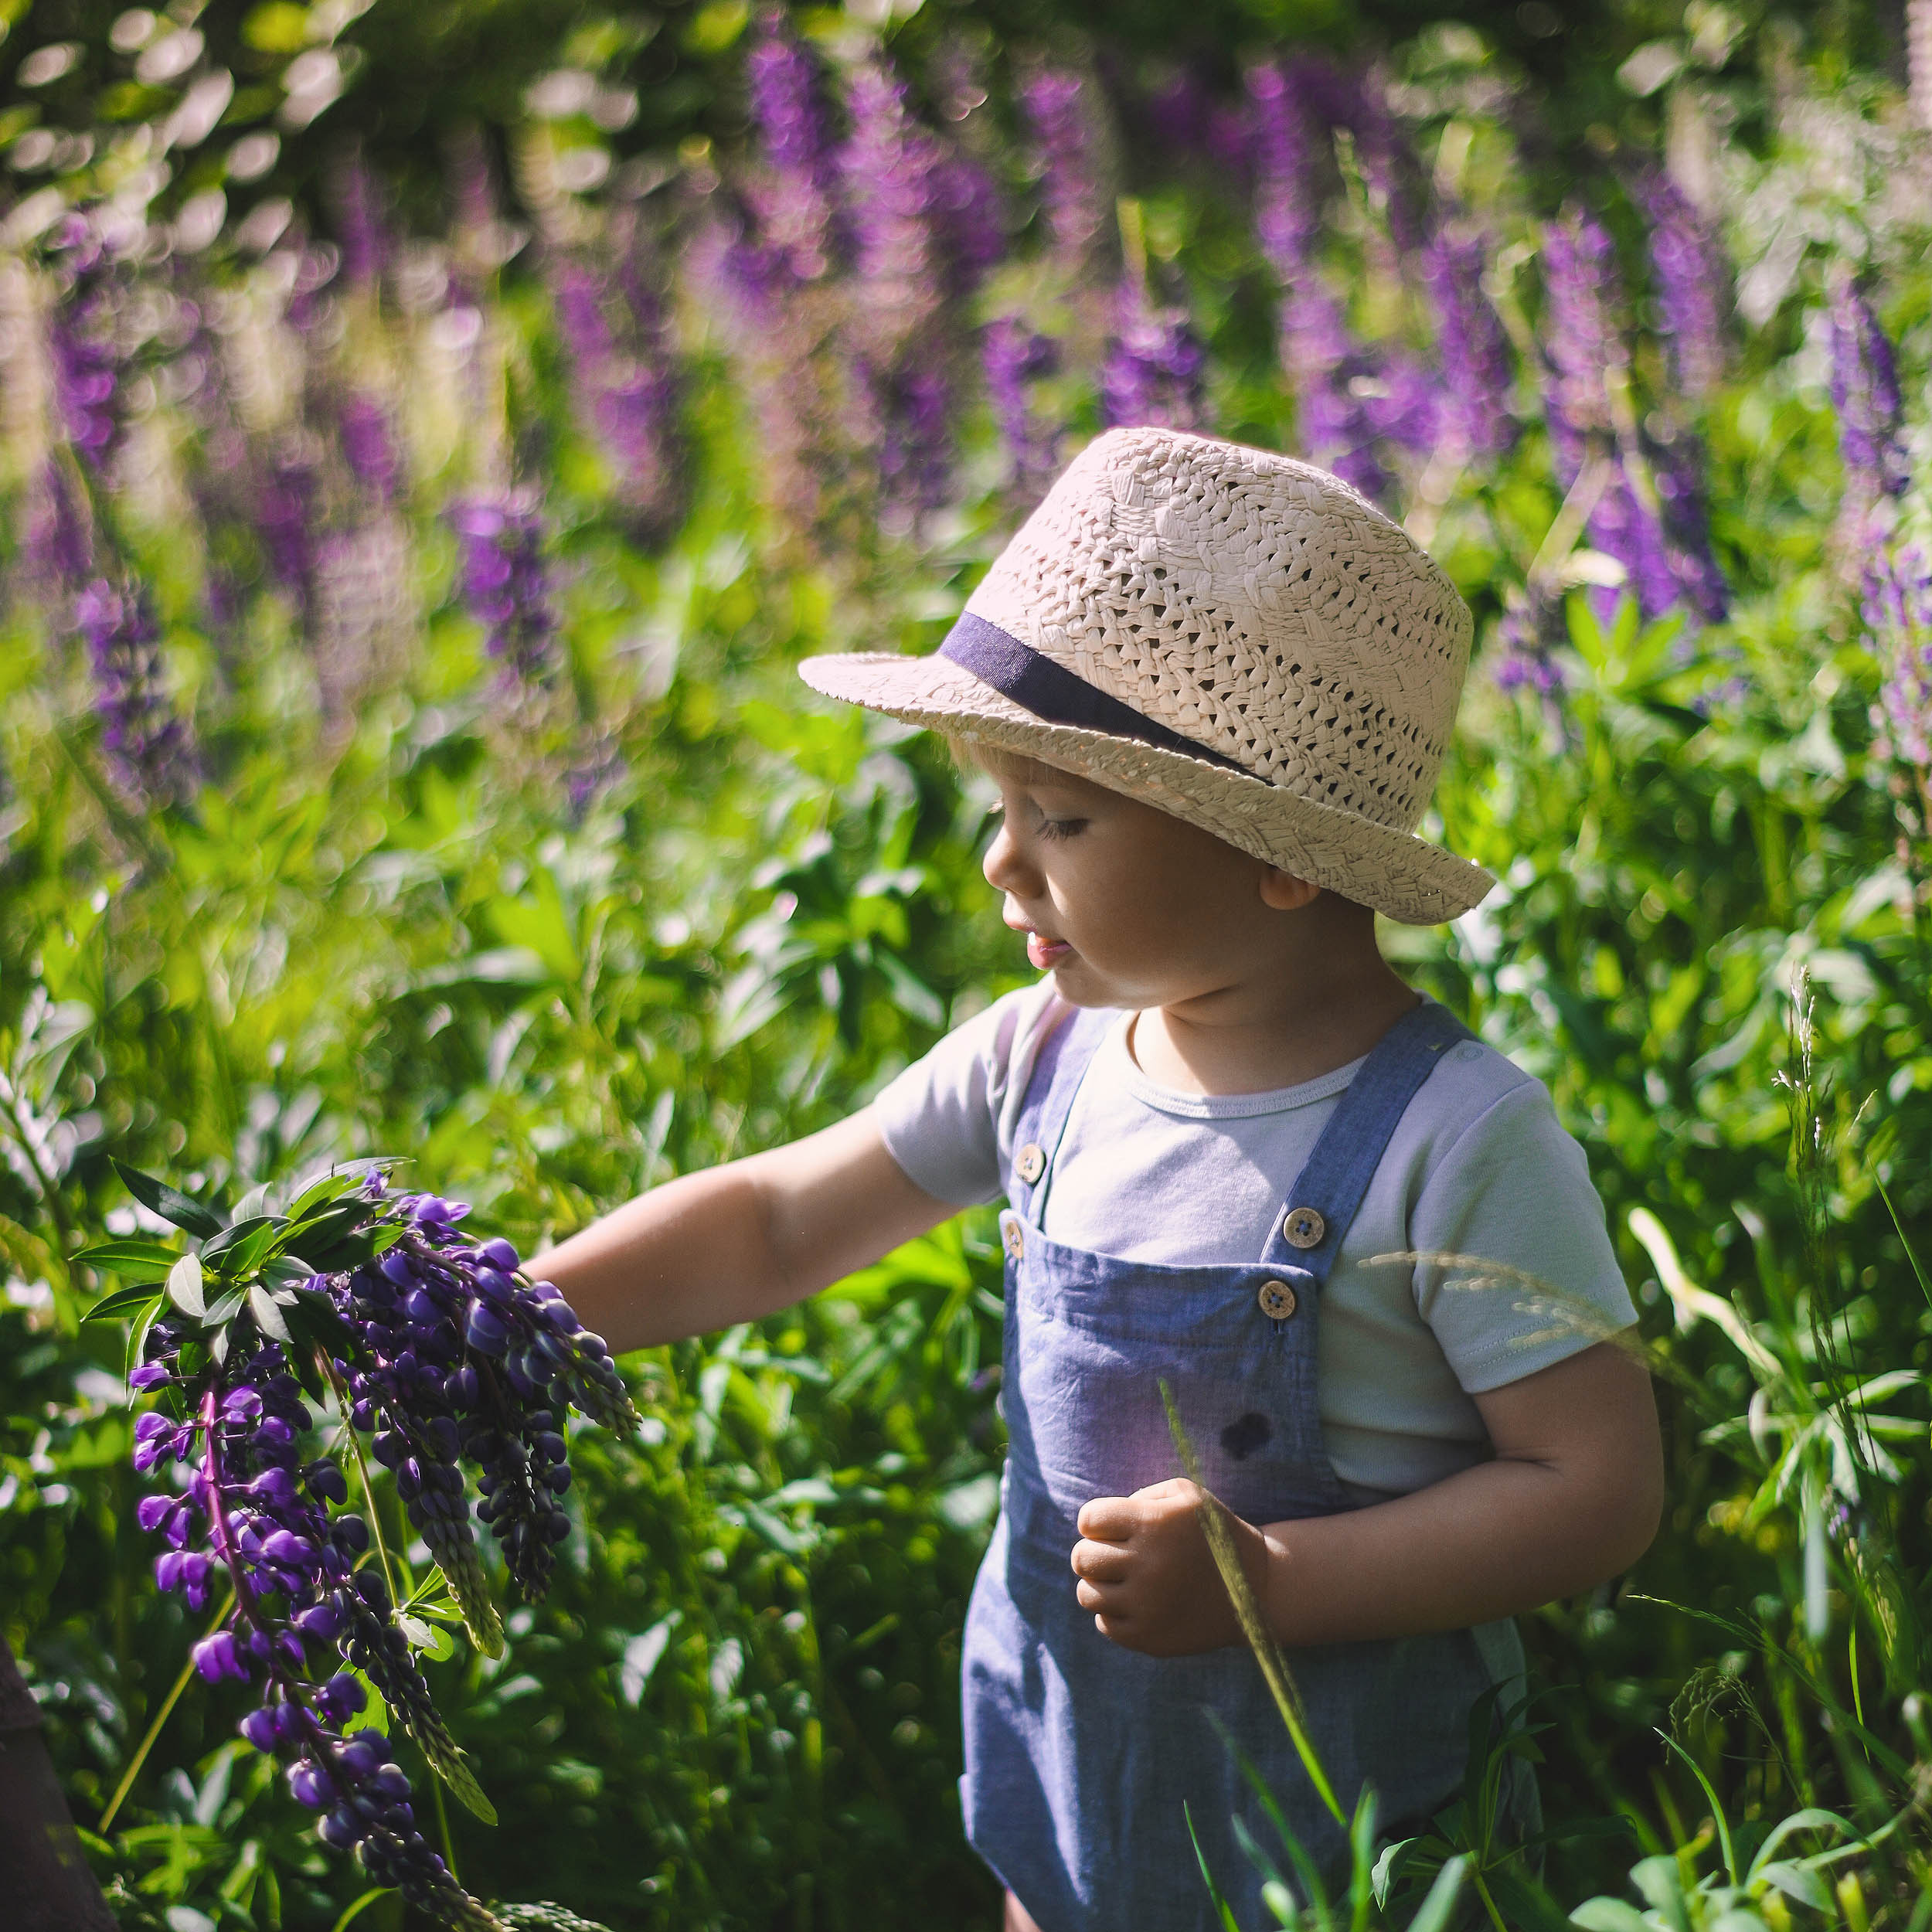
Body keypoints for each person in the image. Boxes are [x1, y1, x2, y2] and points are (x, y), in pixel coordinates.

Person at [532, 427, 1663, 1932]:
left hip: (1360, 1850)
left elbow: (1593, 1489)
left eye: (1060, 815)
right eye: (999, 806)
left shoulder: (1454, 1136)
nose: (1004, 860)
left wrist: (1268, 1578)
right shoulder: (1037, 1056)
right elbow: (774, 1220)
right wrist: (507, 1308)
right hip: (1073, 1803)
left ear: (1277, 853)